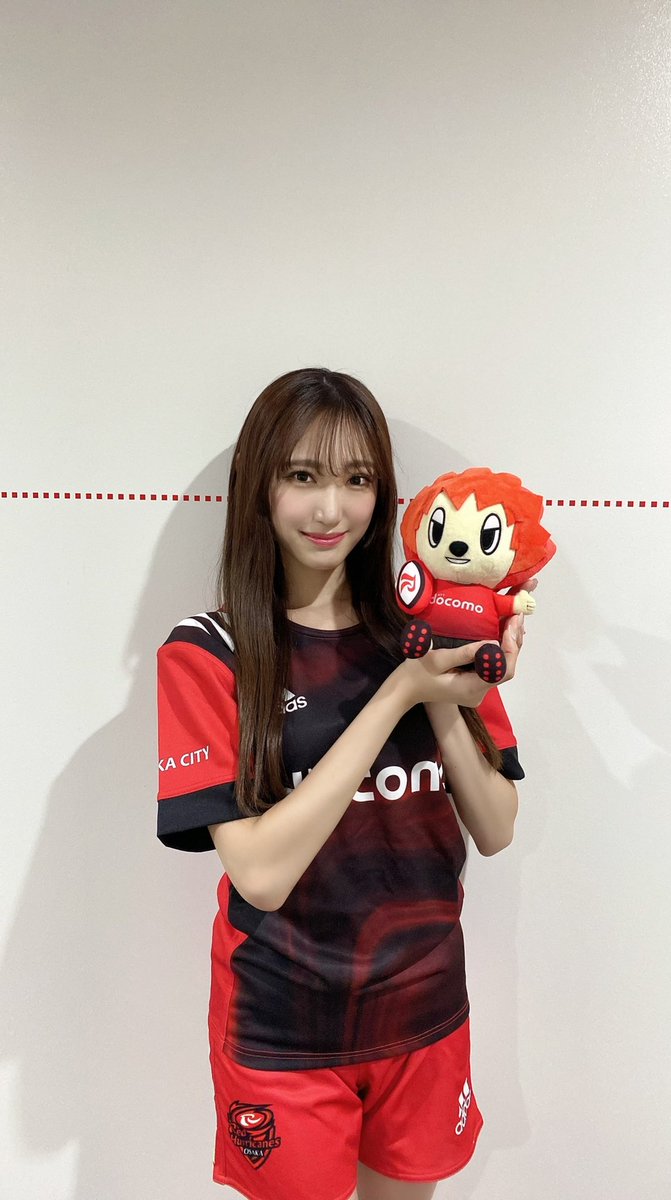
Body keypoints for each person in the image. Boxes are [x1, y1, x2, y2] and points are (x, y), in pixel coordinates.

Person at [156, 367, 527, 1200]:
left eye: (357, 480)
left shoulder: (436, 632)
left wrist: (445, 695)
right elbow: (260, 874)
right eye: (302, 476)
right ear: (260, 487)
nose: (331, 510)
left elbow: (496, 826)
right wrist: (399, 693)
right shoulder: (208, 652)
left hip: (423, 1007)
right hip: (281, 1024)